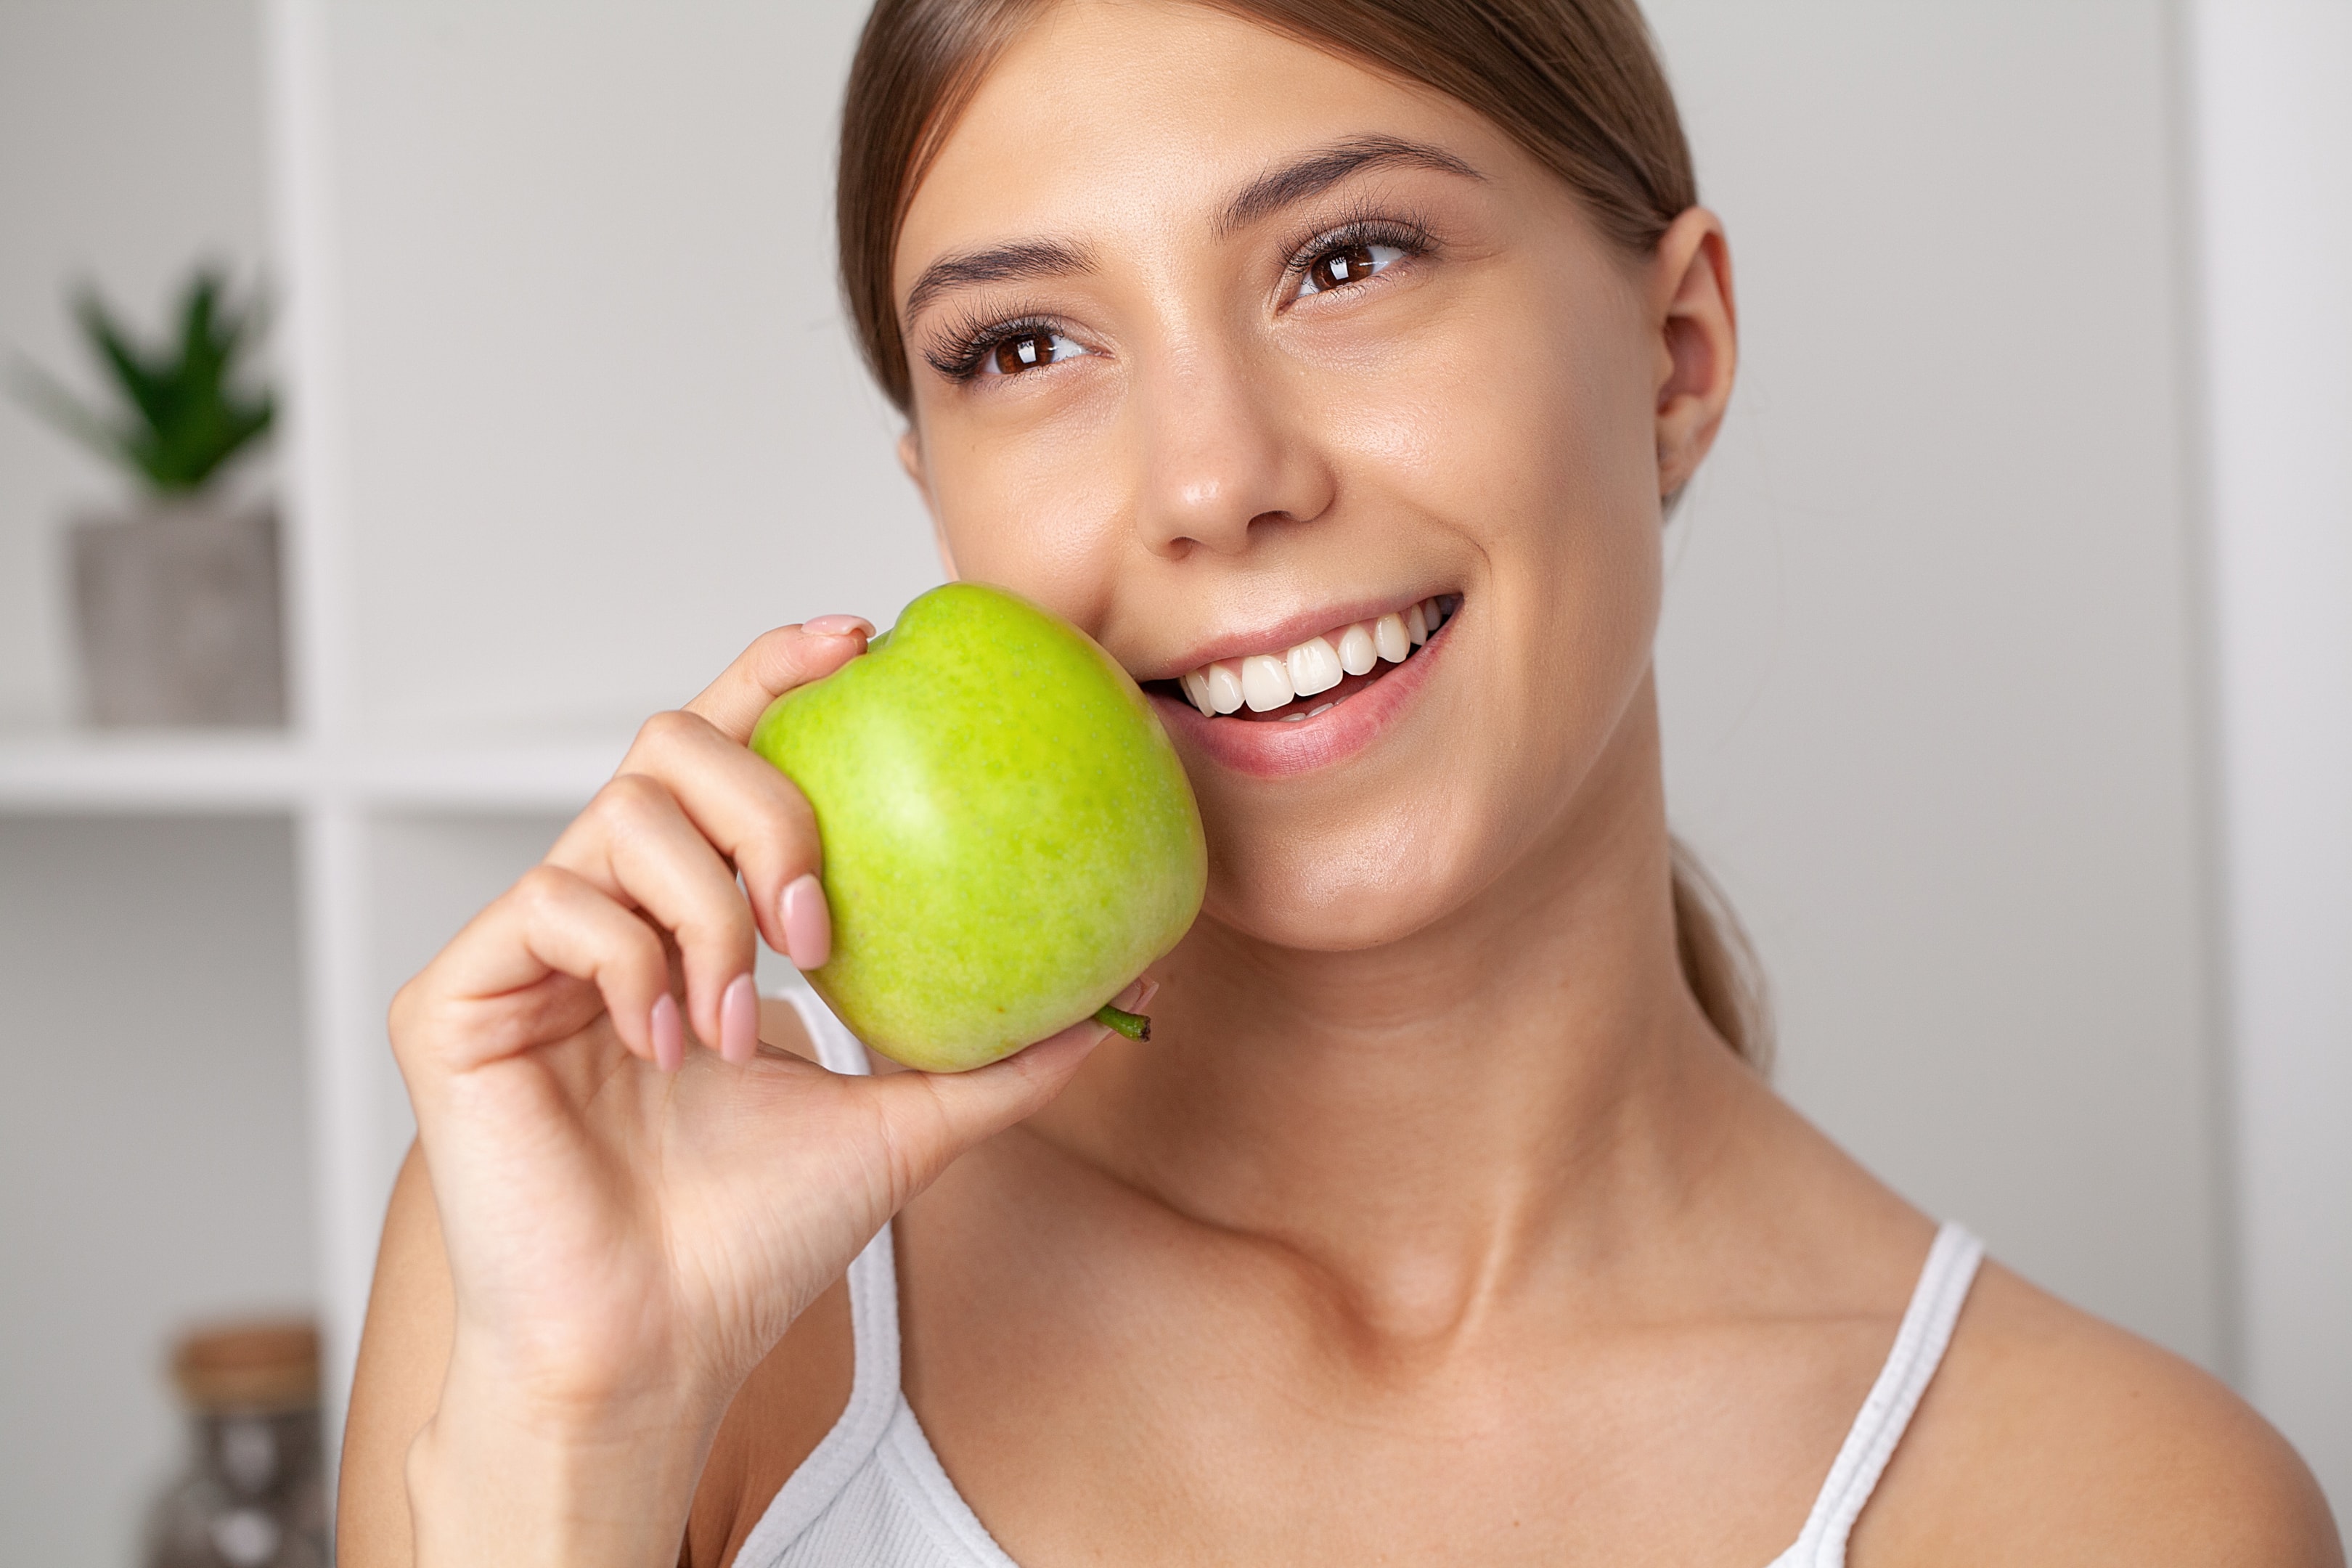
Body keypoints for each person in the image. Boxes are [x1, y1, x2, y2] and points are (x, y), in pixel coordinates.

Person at [339, 1, 2343, 1564]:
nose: (1215, 479)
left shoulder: (2112, 1511)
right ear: (934, 499)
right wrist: (576, 1437)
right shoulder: (623, 1291)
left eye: (1349, 257)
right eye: (1028, 347)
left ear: (1677, 351)